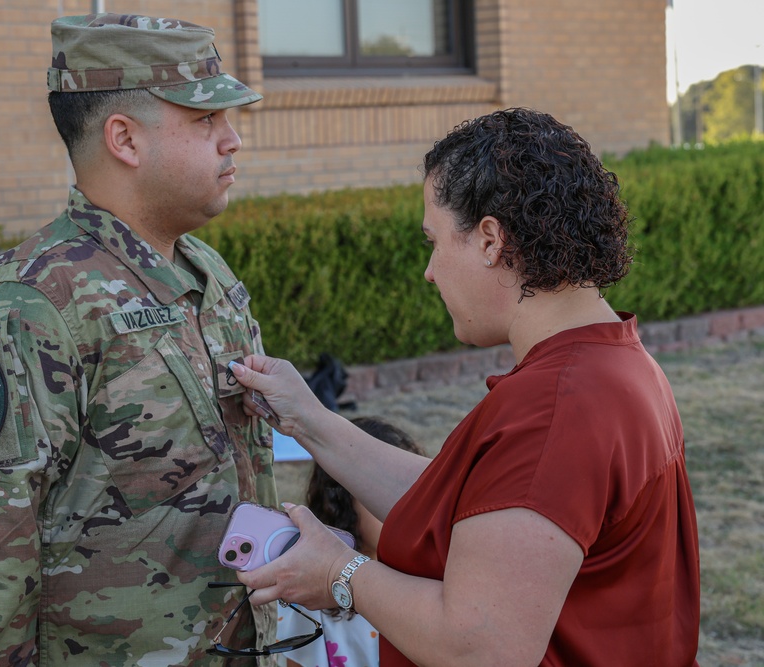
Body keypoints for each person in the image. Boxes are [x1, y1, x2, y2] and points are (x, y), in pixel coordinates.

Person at [227, 108, 701, 666]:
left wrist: (339, 571)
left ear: (490, 239)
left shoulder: (553, 410)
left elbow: (481, 649)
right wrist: (309, 419)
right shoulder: (613, 362)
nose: (429, 271)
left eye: (434, 241)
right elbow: (475, 510)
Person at [0, 13, 280, 666]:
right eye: (204, 120)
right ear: (124, 139)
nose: (232, 140)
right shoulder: (30, 303)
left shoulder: (205, 272)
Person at [280, 417, 419, 667]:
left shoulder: (435, 583)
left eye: (416, 491)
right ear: (341, 500)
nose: (407, 509)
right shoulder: (309, 595)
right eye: (387, 491)